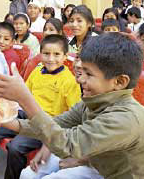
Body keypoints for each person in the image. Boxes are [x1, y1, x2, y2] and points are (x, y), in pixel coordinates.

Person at [0, 33, 144, 179]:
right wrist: (6, 121)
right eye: (81, 71)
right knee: (28, 175)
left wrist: (24, 98)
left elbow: (67, 145)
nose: (79, 79)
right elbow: (56, 123)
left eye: (88, 74)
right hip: (98, 165)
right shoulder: (93, 101)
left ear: (119, 82)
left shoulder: (127, 118)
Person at [0, 35, 81, 179]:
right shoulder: (37, 71)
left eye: (56, 54)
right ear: (40, 54)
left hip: (46, 123)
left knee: (15, 147)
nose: (51, 59)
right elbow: (24, 92)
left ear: (65, 56)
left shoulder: (69, 81)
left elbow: (73, 114)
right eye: (46, 54)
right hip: (25, 114)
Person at [19, 51, 102, 179]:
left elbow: (109, 152)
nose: (78, 65)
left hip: (100, 164)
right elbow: (61, 122)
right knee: (27, 175)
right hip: (73, 147)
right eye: (78, 58)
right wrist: (48, 145)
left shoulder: (122, 112)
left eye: (86, 63)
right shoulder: (84, 97)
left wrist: (79, 161)